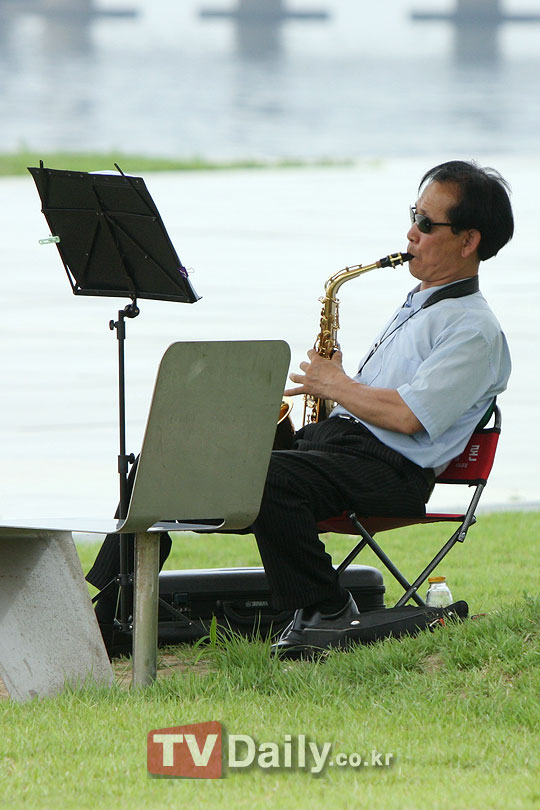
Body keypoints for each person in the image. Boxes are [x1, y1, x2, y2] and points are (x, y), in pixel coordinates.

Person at [87, 159, 513, 659]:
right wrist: (333, 394)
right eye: (412, 215)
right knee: (163, 462)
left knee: (266, 480)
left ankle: (327, 610)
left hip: (390, 471)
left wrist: (337, 383)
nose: (410, 233)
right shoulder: (420, 303)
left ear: (468, 241)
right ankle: (110, 612)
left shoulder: (473, 329)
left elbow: (408, 417)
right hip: (340, 451)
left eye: (425, 222)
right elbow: (379, 402)